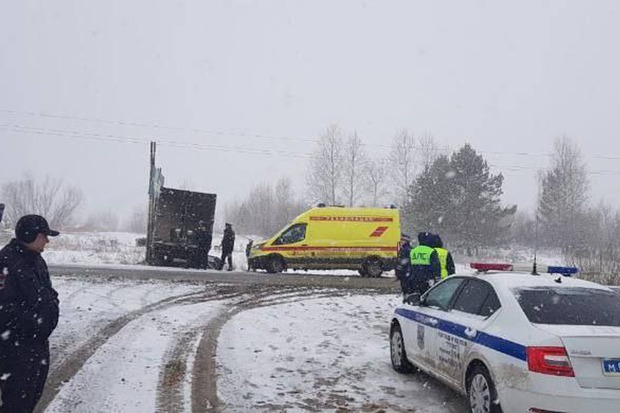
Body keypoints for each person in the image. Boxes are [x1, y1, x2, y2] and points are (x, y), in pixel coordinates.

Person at [0, 215, 60, 413]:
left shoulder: (36, 260)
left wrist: (52, 310)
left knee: (30, 400)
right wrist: (34, 324)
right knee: (16, 404)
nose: (47, 241)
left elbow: (49, 293)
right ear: (29, 235)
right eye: (44, 236)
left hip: (37, 346)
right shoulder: (6, 262)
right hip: (15, 349)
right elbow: (4, 308)